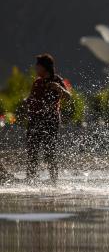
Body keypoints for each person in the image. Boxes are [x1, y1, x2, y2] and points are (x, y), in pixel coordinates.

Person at [24, 54, 71, 182]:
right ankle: (31, 180)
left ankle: (53, 181)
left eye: (37, 66)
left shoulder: (57, 80)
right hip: (34, 120)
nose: (35, 69)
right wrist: (26, 101)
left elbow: (68, 97)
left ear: (45, 67)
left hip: (51, 121)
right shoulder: (37, 82)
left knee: (49, 152)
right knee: (32, 152)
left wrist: (60, 88)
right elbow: (31, 99)